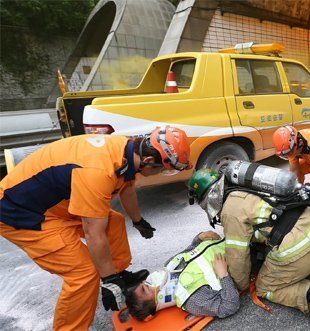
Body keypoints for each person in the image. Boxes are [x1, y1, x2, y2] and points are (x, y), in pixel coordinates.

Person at [0, 126, 191, 330]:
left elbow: (127, 189)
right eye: (163, 168)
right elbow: (94, 233)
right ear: (148, 161)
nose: (162, 173)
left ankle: (119, 276)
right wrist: (107, 279)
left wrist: (138, 221)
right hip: (22, 212)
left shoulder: (126, 150)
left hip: (51, 203)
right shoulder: (98, 171)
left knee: (114, 222)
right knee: (83, 273)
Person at [187, 168, 310, 331]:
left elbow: (238, 259)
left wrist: (237, 284)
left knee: (264, 287)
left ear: (207, 199)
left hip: (300, 248)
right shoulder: (244, 187)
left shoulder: (230, 211)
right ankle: (296, 272)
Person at [125, 231, 240, 321]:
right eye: (146, 289)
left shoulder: (169, 266)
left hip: (230, 238)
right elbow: (229, 307)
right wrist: (223, 275)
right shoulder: (191, 299)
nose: (148, 282)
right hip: (242, 256)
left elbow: (189, 250)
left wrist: (199, 238)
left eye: (144, 283)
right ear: (158, 301)